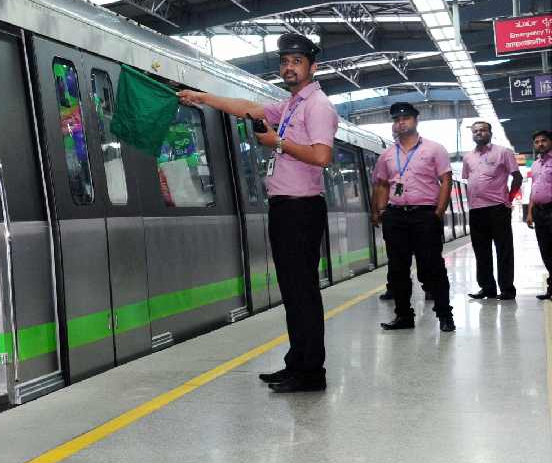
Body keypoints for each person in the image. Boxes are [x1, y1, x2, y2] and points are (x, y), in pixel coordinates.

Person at [179, 33, 337, 393]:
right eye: (285, 61)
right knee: (293, 292)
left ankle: (311, 372)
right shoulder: (293, 104)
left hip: (301, 209)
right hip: (286, 207)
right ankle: (298, 363)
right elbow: (248, 108)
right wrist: (202, 97)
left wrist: (277, 142)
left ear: (312, 67)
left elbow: (322, 156)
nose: (289, 67)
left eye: (297, 61)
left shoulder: (318, 106)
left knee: (303, 292)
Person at [371, 102, 455, 333]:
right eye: (397, 120)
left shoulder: (435, 149)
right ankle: (404, 316)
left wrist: (438, 213)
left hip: (424, 215)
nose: (401, 122)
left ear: (416, 121)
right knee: (398, 269)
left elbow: (446, 180)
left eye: (406, 118)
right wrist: (380, 211)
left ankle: (445, 315)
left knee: (432, 266)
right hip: (396, 216)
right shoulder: (387, 155)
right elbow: (381, 184)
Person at [462, 121, 522, 301]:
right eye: (475, 131)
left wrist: (509, 199)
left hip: (498, 209)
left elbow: (517, 177)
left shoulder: (503, 152)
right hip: (476, 210)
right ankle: (487, 288)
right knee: (481, 251)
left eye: (483, 130)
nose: (479, 133)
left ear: (490, 133)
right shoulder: (468, 157)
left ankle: (507, 289)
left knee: (503, 250)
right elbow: (469, 179)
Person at [528, 129, 552, 301]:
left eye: (543, 140)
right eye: (537, 142)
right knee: (546, 250)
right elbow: (534, 189)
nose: (540, 144)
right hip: (539, 211)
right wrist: (530, 212)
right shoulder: (535, 164)